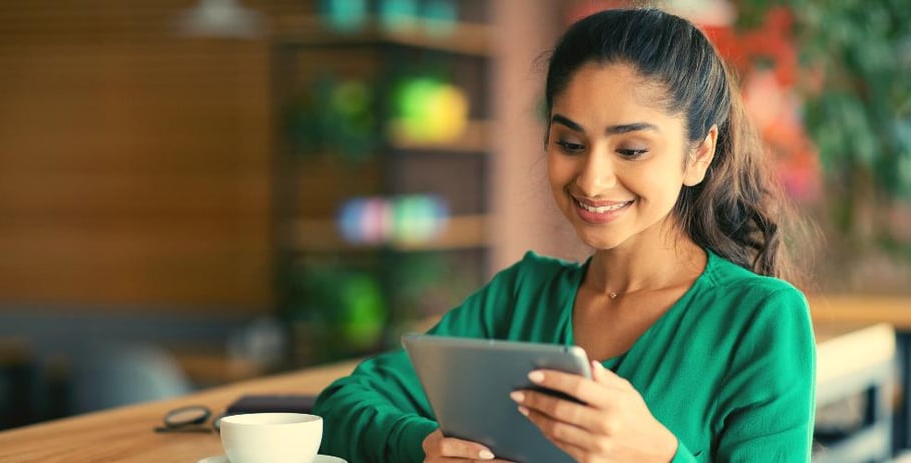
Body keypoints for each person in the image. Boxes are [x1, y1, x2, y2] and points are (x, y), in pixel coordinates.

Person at [313, 7, 815, 463]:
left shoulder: (761, 320)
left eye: (631, 149)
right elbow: (340, 406)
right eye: (570, 142)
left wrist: (658, 456)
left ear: (699, 154)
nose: (591, 179)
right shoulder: (520, 296)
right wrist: (425, 446)